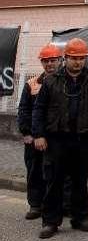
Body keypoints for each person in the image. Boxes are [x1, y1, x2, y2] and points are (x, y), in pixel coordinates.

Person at [32, 38, 88, 239]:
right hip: (57, 139)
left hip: (84, 139)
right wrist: (38, 134)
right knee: (54, 182)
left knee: (80, 181)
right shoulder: (50, 80)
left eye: (81, 58)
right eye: (74, 58)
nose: (77, 62)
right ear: (66, 58)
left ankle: (80, 218)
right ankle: (50, 222)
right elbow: (39, 109)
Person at [17, 44, 62, 221]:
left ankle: (58, 206)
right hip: (35, 138)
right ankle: (35, 205)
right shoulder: (32, 83)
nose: (50, 64)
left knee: (58, 174)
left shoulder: (65, 82)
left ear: (60, 61)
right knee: (35, 172)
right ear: (42, 63)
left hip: (57, 138)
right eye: (46, 61)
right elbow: (24, 110)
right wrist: (26, 133)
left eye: (53, 60)